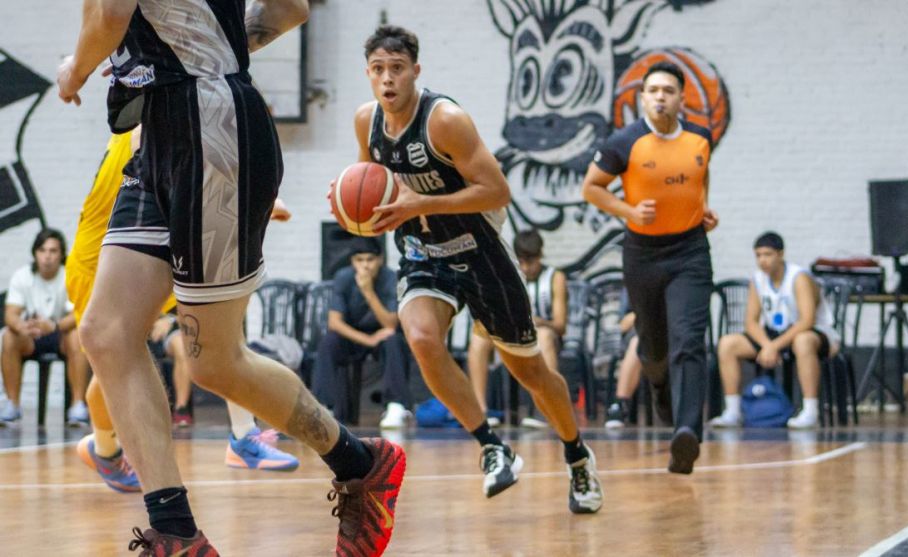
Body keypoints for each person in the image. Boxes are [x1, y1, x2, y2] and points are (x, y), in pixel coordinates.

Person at [57, 2, 404, 555]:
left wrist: (75, 68)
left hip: (210, 131)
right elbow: (290, 7)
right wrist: (196, 45)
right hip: (158, 135)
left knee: (214, 361)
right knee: (107, 332)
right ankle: (176, 532)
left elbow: (111, 13)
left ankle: (359, 462)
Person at [350, 24, 602, 513]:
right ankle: (491, 445)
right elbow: (370, 185)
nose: (387, 79)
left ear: (415, 71)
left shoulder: (444, 120)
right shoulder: (367, 122)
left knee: (530, 371)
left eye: (397, 68)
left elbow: (497, 191)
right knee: (421, 337)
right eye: (378, 69)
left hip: (480, 251)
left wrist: (423, 201)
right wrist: (356, 212)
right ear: (368, 74)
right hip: (423, 252)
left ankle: (577, 454)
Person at [68, 131, 299, 495]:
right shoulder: (147, 126)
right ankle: (104, 448)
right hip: (100, 262)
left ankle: (243, 436)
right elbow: (181, 181)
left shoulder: (168, 119)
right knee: (114, 364)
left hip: (149, 247)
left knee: (221, 317)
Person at [582, 61, 719, 475]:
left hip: (690, 251)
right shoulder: (624, 142)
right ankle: (661, 393)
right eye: (654, 90)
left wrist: (702, 208)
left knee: (689, 339)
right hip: (642, 255)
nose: (661, 97)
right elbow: (591, 188)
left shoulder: (700, 137)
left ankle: (687, 432)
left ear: (681, 99)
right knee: (654, 349)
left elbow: (700, 175)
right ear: (643, 98)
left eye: (669, 91)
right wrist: (627, 211)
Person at [709, 232, 839, 429]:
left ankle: (810, 411)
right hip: (775, 334)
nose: (762, 260)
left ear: (781, 254)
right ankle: (733, 411)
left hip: (813, 333)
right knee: (728, 344)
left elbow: (807, 320)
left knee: (802, 341)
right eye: (758, 255)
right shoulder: (758, 279)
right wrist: (767, 345)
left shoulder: (799, 277)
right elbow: (750, 322)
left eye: (768, 254)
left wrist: (774, 346)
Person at [467, 229, 567, 428]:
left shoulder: (555, 277)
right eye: (522, 262)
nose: (527, 268)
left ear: (540, 255)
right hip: (512, 331)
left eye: (531, 262)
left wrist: (538, 322)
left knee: (545, 336)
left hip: (543, 333)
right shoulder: (506, 275)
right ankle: (481, 411)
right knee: (479, 339)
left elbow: (560, 325)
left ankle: (546, 411)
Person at [310, 236, 414, 428]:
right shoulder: (343, 277)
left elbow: (390, 324)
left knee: (394, 340)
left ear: (380, 259)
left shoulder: (391, 278)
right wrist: (367, 339)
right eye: (359, 260)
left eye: (370, 259)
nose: (365, 265)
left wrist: (368, 292)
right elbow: (334, 323)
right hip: (355, 335)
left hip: (382, 334)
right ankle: (324, 407)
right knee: (329, 342)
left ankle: (395, 406)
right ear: (352, 261)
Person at [1, 228, 89, 425]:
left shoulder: (70, 276)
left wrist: (54, 326)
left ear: (61, 254)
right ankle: (12, 404)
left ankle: (77, 405)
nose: (47, 256)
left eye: (53, 251)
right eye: (42, 250)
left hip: (60, 334)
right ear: (35, 253)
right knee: (9, 336)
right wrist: (22, 327)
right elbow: (10, 314)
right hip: (31, 335)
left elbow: (78, 314)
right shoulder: (22, 276)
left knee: (77, 335)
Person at [605, 291, 642, 429]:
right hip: (641, 335)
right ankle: (620, 404)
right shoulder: (634, 285)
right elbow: (623, 325)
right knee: (639, 342)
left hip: (670, 337)